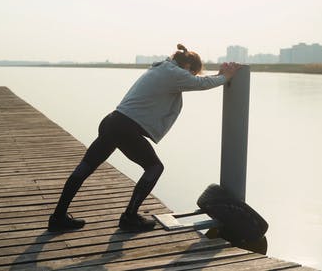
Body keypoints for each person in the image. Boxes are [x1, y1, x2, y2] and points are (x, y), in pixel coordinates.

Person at [48, 44, 242, 232]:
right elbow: (202, 84)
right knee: (154, 167)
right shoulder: (174, 74)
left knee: (86, 167)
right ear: (188, 66)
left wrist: (220, 76)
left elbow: (199, 82)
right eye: (192, 73)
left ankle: (58, 217)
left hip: (112, 121)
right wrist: (227, 76)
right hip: (125, 128)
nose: (190, 78)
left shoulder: (163, 68)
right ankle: (129, 217)